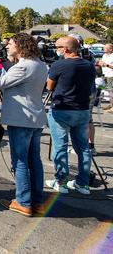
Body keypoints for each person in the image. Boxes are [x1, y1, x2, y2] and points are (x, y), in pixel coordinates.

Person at [0, 33, 48, 216]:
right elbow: (12, 81)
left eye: (10, 44)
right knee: (34, 161)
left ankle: (23, 201)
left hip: (21, 119)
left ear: (20, 46)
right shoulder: (39, 64)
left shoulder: (25, 66)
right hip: (34, 117)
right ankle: (37, 200)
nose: (7, 47)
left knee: (20, 161)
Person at [45, 35, 95, 195]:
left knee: (60, 147)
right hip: (82, 110)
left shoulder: (60, 64)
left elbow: (50, 86)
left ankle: (61, 181)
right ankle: (83, 183)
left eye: (58, 47)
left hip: (62, 109)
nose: (56, 50)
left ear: (65, 49)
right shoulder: (88, 65)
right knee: (83, 148)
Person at [98, 43, 113, 113]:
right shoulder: (104, 55)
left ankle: (112, 107)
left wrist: (106, 65)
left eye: (106, 48)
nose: (104, 49)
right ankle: (111, 105)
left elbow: (107, 65)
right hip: (105, 74)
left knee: (111, 91)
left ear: (111, 49)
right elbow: (102, 63)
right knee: (106, 90)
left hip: (111, 75)